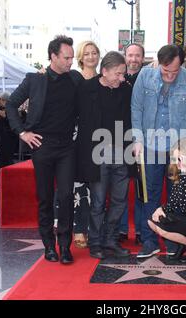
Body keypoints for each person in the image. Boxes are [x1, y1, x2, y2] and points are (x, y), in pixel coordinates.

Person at [6, 35, 82, 264]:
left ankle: (65, 246)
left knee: (67, 195)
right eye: (67, 58)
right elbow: (11, 104)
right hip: (42, 145)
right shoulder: (34, 80)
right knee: (45, 197)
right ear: (53, 57)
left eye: (71, 57)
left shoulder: (75, 79)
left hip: (67, 146)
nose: (71, 61)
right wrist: (22, 132)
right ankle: (49, 245)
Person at [131, 44, 186, 258]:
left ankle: (173, 242)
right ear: (159, 64)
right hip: (149, 146)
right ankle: (149, 241)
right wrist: (137, 139)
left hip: (177, 147)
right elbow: (137, 108)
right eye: (165, 71)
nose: (170, 75)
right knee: (148, 196)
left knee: (177, 197)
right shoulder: (145, 76)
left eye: (175, 71)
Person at [76, 51, 132, 260]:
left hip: (122, 152)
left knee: (120, 200)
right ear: (105, 71)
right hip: (97, 154)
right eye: (117, 74)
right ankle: (96, 242)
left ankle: (110, 239)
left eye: (123, 74)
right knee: (98, 202)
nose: (121, 78)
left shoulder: (125, 90)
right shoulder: (87, 88)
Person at [72, 40, 100, 249]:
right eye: (87, 53)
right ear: (80, 57)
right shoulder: (72, 77)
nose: (91, 56)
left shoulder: (103, 79)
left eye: (94, 52)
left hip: (97, 138)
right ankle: (78, 229)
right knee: (76, 184)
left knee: (95, 185)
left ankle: (93, 229)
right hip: (74, 137)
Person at [119, 43, 145, 245]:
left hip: (142, 139)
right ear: (124, 56)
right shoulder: (117, 77)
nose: (133, 59)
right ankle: (119, 230)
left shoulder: (149, 78)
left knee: (140, 187)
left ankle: (141, 230)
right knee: (119, 187)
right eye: (130, 55)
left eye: (137, 56)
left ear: (142, 58)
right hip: (118, 138)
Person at [0, 92, 18, 171]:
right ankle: (2, 175)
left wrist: (5, 116)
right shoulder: (0, 110)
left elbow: (16, 122)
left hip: (9, 138)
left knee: (7, 158)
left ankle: (8, 174)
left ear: (4, 100)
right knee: (2, 158)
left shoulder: (11, 109)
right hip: (1, 138)